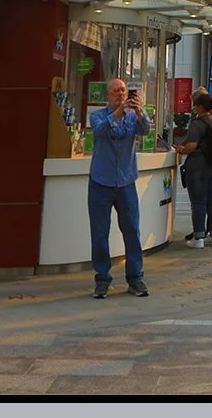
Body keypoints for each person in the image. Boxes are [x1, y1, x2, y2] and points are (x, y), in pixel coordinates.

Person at [86, 79, 151, 297]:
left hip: (126, 183)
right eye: (116, 91)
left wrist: (140, 111)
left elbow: (146, 130)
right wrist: (118, 113)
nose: (121, 94)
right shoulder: (97, 115)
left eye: (123, 90)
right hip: (100, 183)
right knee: (100, 233)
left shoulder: (133, 115)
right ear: (108, 94)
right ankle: (102, 280)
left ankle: (136, 279)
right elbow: (98, 131)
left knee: (132, 230)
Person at [175, 91, 212, 249]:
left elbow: (192, 146)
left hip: (198, 167)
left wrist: (180, 149)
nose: (194, 108)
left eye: (195, 105)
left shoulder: (197, 123)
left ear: (200, 106)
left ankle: (199, 238)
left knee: (198, 203)